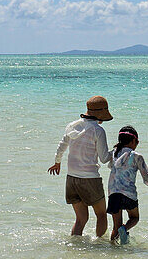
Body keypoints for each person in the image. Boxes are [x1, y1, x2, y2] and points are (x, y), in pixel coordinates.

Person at [48, 95, 113, 237]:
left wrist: (57, 162)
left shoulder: (72, 126)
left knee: (81, 219)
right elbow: (104, 158)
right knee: (101, 215)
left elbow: (62, 146)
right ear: (101, 115)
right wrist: (116, 151)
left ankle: (75, 248)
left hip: (71, 179)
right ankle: (100, 247)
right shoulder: (98, 130)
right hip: (90, 179)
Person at [107, 125, 148, 245]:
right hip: (129, 194)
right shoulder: (136, 156)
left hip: (113, 194)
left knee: (115, 227)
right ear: (134, 141)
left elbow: (110, 165)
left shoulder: (114, 154)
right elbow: (147, 179)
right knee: (134, 218)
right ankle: (124, 229)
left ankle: (113, 252)